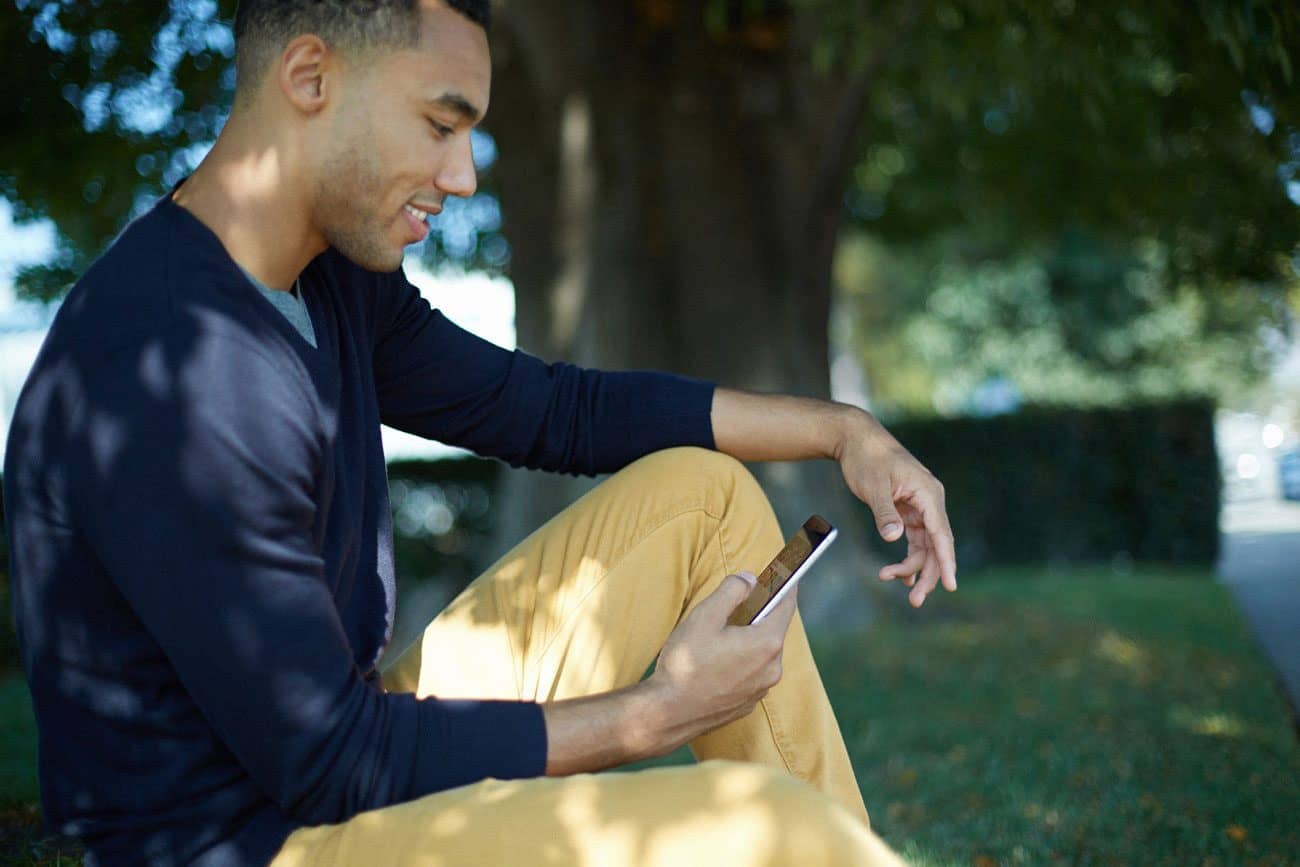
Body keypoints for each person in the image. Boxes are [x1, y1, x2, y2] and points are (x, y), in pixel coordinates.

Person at [3, 1, 958, 865]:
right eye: (439, 123)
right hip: (249, 841)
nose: (461, 176)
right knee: (768, 828)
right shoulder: (176, 367)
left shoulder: (329, 275)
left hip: (329, 760)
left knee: (704, 500)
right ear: (309, 78)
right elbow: (330, 763)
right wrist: (655, 714)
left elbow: (550, 409)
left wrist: (839, 430)